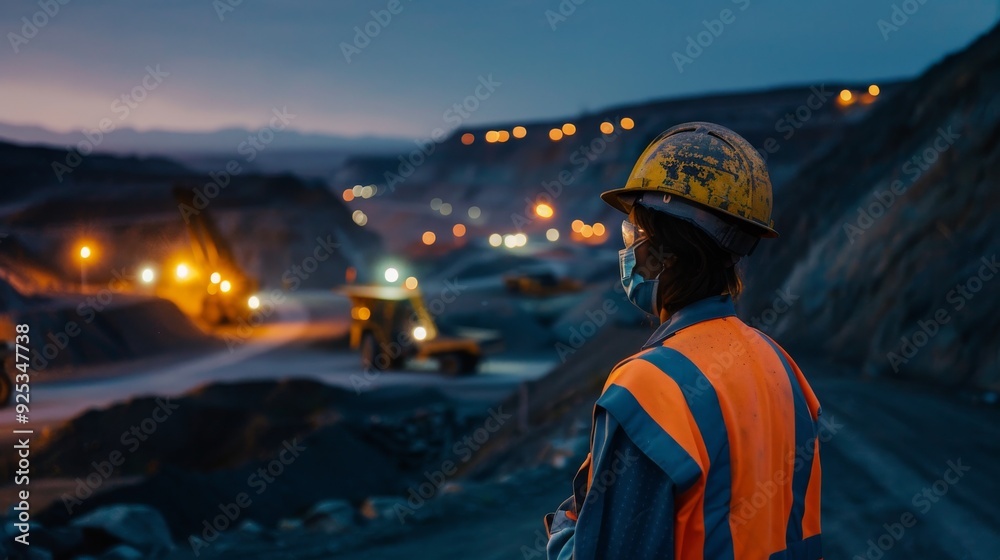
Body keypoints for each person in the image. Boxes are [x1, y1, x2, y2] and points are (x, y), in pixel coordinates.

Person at [544, 122, 823, 559]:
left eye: (632, 235)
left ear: (658, 253)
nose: (629, 251)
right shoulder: (782, 369)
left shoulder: (648, 390)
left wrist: (564, 532)